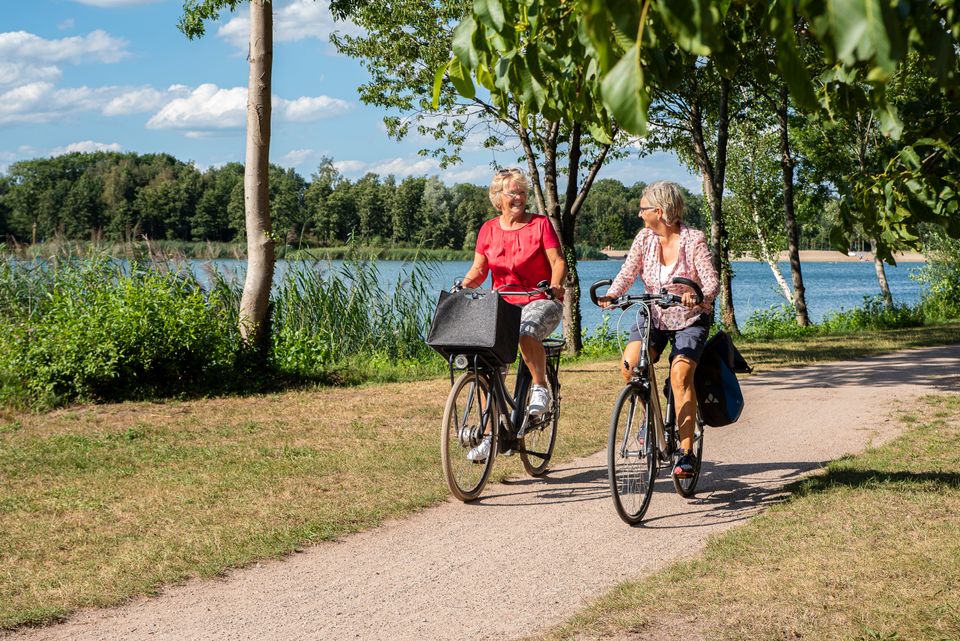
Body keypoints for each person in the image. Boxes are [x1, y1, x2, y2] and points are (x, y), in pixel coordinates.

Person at [598, 180, 719, 478]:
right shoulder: (644, 239)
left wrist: (697, 295)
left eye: (643, 209)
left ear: (660, 211)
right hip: (654, 316)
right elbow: (628, 272)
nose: (640, 214)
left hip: (689, 318)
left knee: (680, 377)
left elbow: (712, 281)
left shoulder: (694, 240)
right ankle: (649, 419)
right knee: (630, 366)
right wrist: (613, 295)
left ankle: (686, 454)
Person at [460, 168, 568, 462]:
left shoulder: (540, 225)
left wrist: (555, 285)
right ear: (498, 198)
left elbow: (558, 261)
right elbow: (479, 270)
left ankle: (540, 387)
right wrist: (463, 286)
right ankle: (490, 435)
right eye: (513, 193)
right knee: (485, 366)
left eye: (523, 192)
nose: (519, 198)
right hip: (503, 303)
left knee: (526, 330)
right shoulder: (488, 230)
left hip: (540, 298)